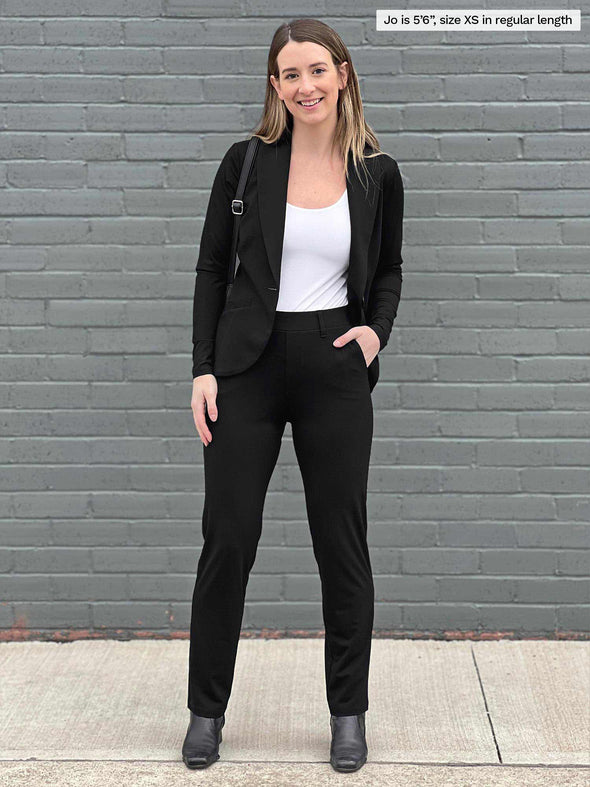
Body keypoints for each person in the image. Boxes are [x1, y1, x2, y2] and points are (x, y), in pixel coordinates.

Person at [182, 17, 404, 773]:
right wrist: (203, 367)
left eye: (317, 69)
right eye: (289, 74)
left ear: (342, 73)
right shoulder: (246, 163)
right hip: (245, 366)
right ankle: (205, 713)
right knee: (229, 540)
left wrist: (374, 332)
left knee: (341, 547)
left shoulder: (377, 172)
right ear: (274, 86)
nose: (305, 85)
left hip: (332, 365)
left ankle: (348, 716)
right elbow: (213, 269)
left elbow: (390, 269)